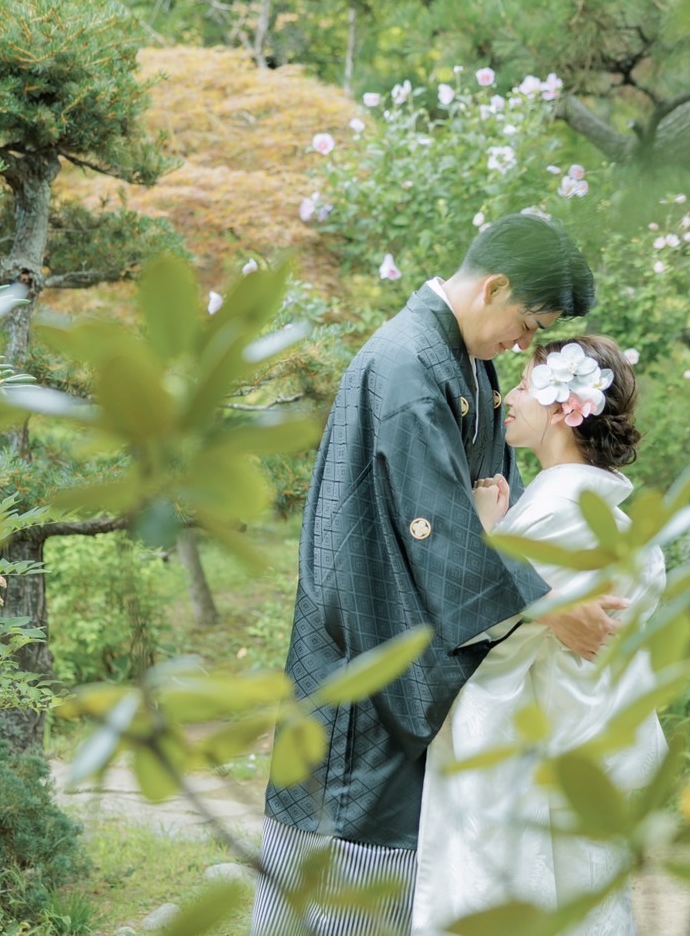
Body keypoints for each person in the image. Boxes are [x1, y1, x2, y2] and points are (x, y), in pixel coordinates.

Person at [252, 214, 623, 935]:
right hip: (368, 637)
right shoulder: (409, 367)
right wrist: (548, 606)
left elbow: (489, 506)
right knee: (346, 852)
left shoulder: (465, 362)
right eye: (526, 323)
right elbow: (441, 530)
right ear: (494, 286)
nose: (523, 345)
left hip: (416, 634)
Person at [411, 335, 667, 936]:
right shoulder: (601, 512)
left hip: (533, 744)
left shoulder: (560, 509)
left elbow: (486, 623)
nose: (512, 398)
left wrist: (481, 538)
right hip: (582, 738)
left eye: (525, 386)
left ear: (562, 407)